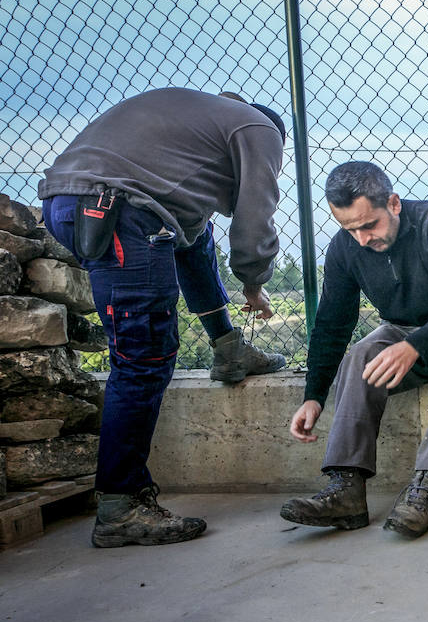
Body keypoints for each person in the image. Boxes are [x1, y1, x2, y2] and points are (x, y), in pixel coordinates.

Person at [38, 87, 289, 548]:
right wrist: (254, 282)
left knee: (193, 232)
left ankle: (228, 348)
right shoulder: (261, 129)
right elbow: (255, 213)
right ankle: (122, 504)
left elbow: (191, 235)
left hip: (70, 205)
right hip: (119, 212)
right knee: (143, 357)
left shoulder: (192, 119)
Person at [281, 161, 428, 539]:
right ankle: (346, 491)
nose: (361, 238)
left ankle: (426, 487)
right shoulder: (346, 247)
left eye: (368, 225)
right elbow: (332, 324)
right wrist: (314, 397)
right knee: (361, 352)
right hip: (400, 331)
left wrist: (415, 346)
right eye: (349, 228)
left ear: (393, 204)